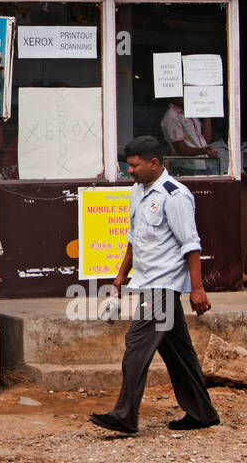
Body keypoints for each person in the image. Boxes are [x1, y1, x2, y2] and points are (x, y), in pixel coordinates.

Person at [90, 136, 220, 435]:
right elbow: (135, 239)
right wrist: (121, 275)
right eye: (129, 165)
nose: (131, 171)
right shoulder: (137, 191)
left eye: (135, 166)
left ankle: (124, 415)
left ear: (154, 163)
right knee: (178, 352)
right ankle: (202, 413)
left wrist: (197, 289)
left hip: (162, 286)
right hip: (146, 280)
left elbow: (191, 245)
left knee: (136, 347)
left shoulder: (175, 196)